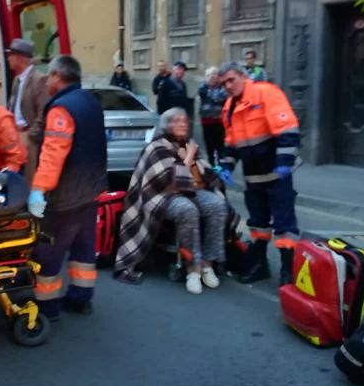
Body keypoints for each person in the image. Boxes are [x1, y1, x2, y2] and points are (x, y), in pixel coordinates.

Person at [114, 108, 233, 293]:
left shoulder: (189, 144)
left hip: (191, 190)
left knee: (217, 205)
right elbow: (167, 179)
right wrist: (189, 157)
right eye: (176, 121)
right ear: (167, 125)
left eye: (184, 120)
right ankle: (192, 268)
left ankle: (208, 264)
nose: (182, 124)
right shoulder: (157, 146)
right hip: (161, 195)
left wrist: (204, 168)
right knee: (187, 210)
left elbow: (202, 171)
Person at [27, 55, 107, 320]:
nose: (47, 81)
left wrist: (39, 190)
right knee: (84, 248)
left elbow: (53, 154)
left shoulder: (61, 109)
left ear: (58, 75)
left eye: (49, 76)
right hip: (91, 188)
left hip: (66, 194)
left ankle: (47, 307)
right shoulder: (90, 101)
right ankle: (81, 298)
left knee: (49, 251)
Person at [218, 61, 301, 286]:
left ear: (243, 76)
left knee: (284, 225)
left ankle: (287, 272)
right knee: (258, 224)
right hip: (253, 177)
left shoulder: (266, 93)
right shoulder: (229, 107)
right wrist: (226, 165)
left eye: (231, 80)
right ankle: (260, 266)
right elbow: (231, 143)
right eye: (223, 83)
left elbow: (288, 130)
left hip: (277, 175)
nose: (227, 86)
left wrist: (284, 163)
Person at [6, 38, 48, 181]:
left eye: (11, 55)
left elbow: (44, 112)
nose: (8, 58)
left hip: (27, 135)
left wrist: (30, 136)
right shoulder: (17, 80)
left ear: (20, 58)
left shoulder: (39, 79)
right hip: (13, 135)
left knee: (29, 178)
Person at [198, 66, 227, 166]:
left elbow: (224, 98)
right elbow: (211, 97)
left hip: (219, 121)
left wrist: (216, 97)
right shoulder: (203, 88)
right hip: (207, 121)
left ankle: (221, 165)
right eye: (210, 75)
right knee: (209, 144)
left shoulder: (222, 88)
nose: (212, 77)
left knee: (220, 145)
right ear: (206, 77)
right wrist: (217, 97)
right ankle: (211, 164)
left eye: (215, 74)